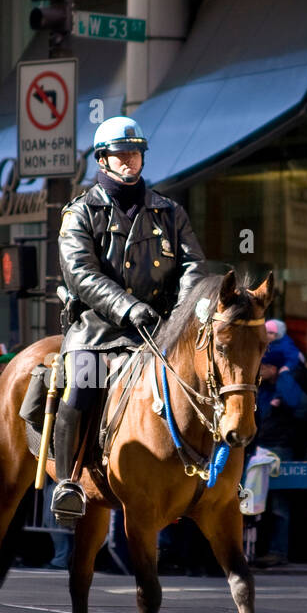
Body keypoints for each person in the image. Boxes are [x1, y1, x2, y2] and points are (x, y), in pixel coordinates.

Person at [50, 115, 206, 522]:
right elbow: (80, 273)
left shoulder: (170, 212)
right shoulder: (80, 212)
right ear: (102, 160)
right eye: (120, 154)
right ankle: (67, 482)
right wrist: (126, 306)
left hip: (159, 329)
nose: (129, 161)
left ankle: (209, 477)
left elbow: (193, 266)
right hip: (98, 330)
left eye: (134, 153)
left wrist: (179, 316)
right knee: (81, 385)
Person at [252, 349, 307, 568]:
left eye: (264, 366)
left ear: (274, 368)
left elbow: (302, 408)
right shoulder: (263, 388)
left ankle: (278, 551)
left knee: (279, 505)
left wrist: (285, 375)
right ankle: (262, 549)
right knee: (259, 503)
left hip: (281, 449)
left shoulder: (286, 385)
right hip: (261, 448)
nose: (260, 370)